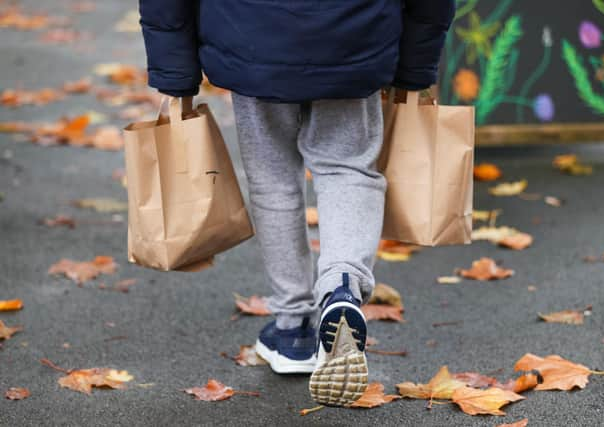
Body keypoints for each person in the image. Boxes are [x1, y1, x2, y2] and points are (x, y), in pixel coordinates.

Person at [139, 0, 456, 407]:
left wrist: (175, 73)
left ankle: (291, 327)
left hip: (252, 38)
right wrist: (416, 65)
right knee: (348, 168)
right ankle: (342, 287)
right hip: (354, 38)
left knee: (273, 182)